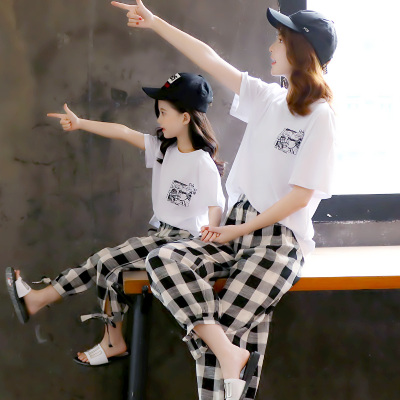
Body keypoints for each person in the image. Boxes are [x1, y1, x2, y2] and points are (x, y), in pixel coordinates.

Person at [111, 1, 337, 400]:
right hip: (235, 231)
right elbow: (210, 59)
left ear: (301, 50)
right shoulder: (267, 98)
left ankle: (231, 355)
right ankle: (232, 355)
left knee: (224, 337)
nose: (271, 46)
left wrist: (241, 228)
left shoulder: (321, 116)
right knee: (164, 261)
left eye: (280, 40)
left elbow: (300, 197)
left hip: (276, 242)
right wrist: (156, 22)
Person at [5, 72, 226, 366]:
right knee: (110, 270)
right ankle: (110, 339)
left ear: (185, 117)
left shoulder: (202, 162)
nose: (158, 119)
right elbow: (122, 131)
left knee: (106, 260)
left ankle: (47, 301)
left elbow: (216, 205)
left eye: (163, 112)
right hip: (161, 235)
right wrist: (81, 123)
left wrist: (211, 231)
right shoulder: (164, 149)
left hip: (182, 243)